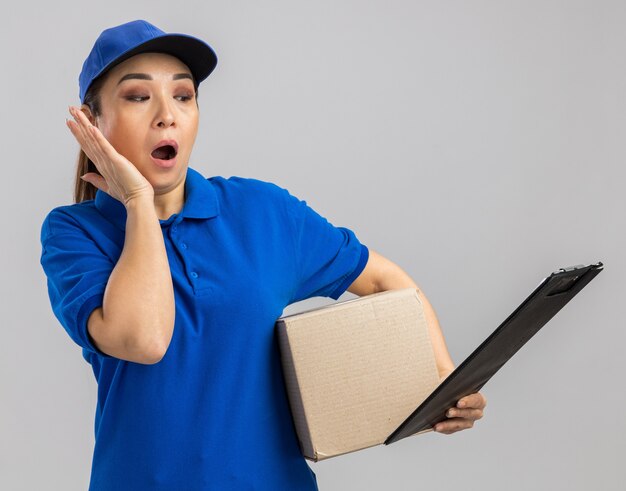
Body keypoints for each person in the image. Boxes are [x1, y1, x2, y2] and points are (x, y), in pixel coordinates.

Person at [39, 19, 486, 491]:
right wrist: (136, 203)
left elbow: (382, 280)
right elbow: (145, 340)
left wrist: (442, 378)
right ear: (91, 124)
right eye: (137, 96)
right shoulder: (73, 233)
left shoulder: (261, 211)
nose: (167, 115)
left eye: (184, 95)